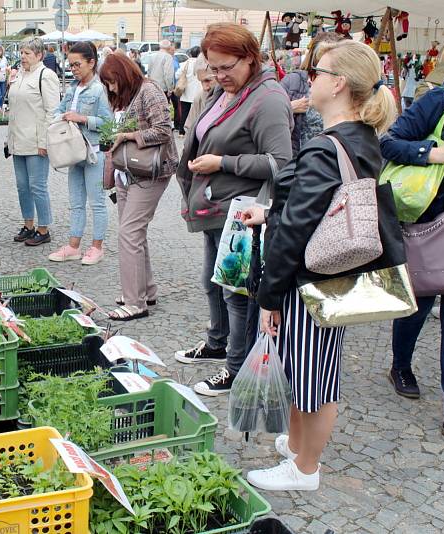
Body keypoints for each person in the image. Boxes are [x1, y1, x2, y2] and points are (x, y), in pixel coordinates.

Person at [243, 40, 398, 491]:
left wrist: (269, 294)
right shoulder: (360, 138)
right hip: (332, 272)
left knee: (314, 378)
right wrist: (273, 214)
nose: (309, 77)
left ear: (339, 83)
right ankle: (296, 445)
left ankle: (305, 468)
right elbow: (320, 211)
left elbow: (296, 228)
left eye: (318, 70)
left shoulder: (327, 147)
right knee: (308, 370)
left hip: (309, 279)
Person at [174, 23, 292, 396]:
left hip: (243, 212)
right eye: (213, 67)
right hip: (215, 206)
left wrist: (223, 163)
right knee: (213, 283)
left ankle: (236, 369)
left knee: (236, 294)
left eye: (227, 67)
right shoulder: (225, 92)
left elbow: (280, 163)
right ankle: (218, 342)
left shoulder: (268, 97)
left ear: (250, 58)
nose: (219, 75)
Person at [380, 53, 444, 442]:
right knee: (419, 305)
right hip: (432, 225)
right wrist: (433, 153)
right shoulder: (442, 100)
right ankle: (400, 364)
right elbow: (389, 143)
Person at [99, 53, 178, 321]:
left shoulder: (149, 90)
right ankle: (145, 290)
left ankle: (135, 302)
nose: (111, 88)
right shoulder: (130, 94)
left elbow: (164, 130)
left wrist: (129, 135)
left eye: (112, 82)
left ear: (123, 74)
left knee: (129, 233)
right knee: (133, 233)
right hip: (128, 172)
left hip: (150, 171)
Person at [48, 42, 112, 265]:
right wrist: (58, 117)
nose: (73, 69)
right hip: (73, 153)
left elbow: (109, 124)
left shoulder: (100, 89)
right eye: (70, 64)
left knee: (97, 203)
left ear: (91, 62)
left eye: (77, 64)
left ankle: (97, 247)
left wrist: (82, 118)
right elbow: (59, 109)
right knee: (75, 202)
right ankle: (73, 246)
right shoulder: (73, 88)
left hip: (93, 153)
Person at [6, 37, 61, 246]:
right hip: (18, 140)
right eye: (21, 53)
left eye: (27, 53)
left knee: (37, 186)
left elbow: (52, 111)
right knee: (22, 186)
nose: (23, 57)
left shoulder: (46, 76)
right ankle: (28, 225)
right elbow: (14, 110)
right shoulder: (19, 74)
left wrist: (45, 142)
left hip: (36, 141)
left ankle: (43, 228)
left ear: (39, 55)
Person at [280, 32, 344, 156]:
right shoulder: (294, 81)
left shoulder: (344, 85)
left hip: (332, 158)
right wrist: (290, 107)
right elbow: (267, 116)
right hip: (297, 159)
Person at [175, 47, 204, 135]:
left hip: (187, 92)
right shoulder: (203, 63)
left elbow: (177, 75)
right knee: (198, 112)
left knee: (185, 112)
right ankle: (195, 131)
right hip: (199, 92)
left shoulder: (185, 63)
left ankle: (181, 131)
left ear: (190, 54)